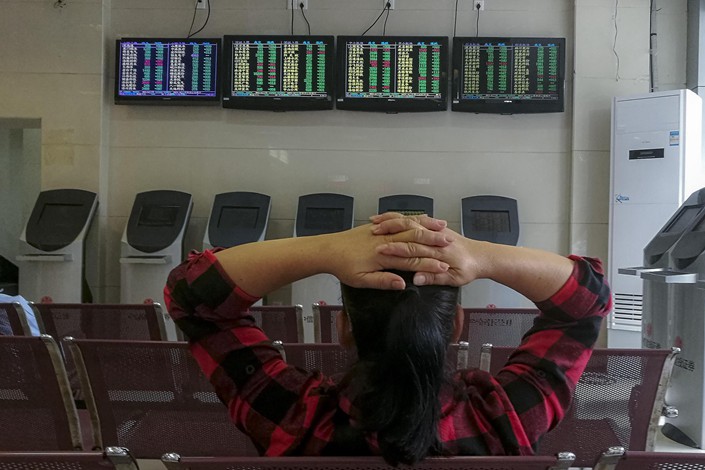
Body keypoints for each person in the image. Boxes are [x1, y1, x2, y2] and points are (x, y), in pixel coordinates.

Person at [164, 213, 611, 465]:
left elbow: (191, 297)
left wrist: (325, 248)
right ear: (456, 326)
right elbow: (587, 304)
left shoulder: (290, 418)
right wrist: (481, 255)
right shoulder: (507, 419)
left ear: (342, 327)